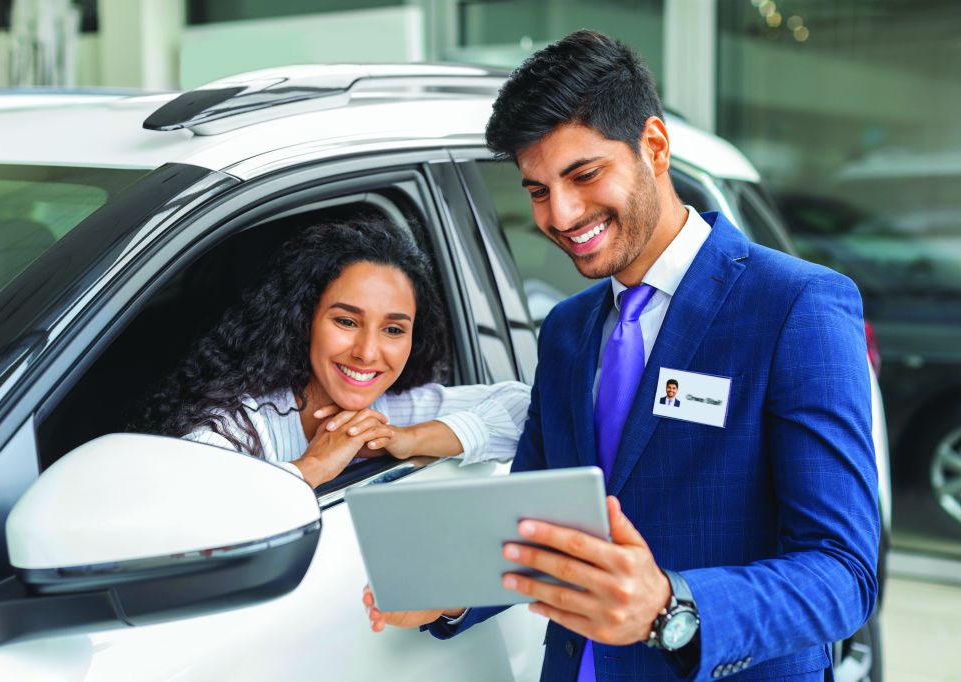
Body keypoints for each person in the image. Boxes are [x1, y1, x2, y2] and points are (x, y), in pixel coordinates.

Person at [364, 30, 878, 681]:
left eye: (584, 175)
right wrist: (456, 595)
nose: (562, 213)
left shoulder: (794, 306)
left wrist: (669, 608)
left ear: (655, 147)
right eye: (537, 190)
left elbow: (844, 574)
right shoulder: (567, 331)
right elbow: (537, 529)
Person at [141, 218, 529, 489]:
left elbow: (527, 408)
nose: (367, 352)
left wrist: (411, 440)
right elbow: (196, 523)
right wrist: (313, 467)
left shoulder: (389, 411)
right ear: (304, 320)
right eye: (346, 322)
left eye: (394, 330)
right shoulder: (233, 429)